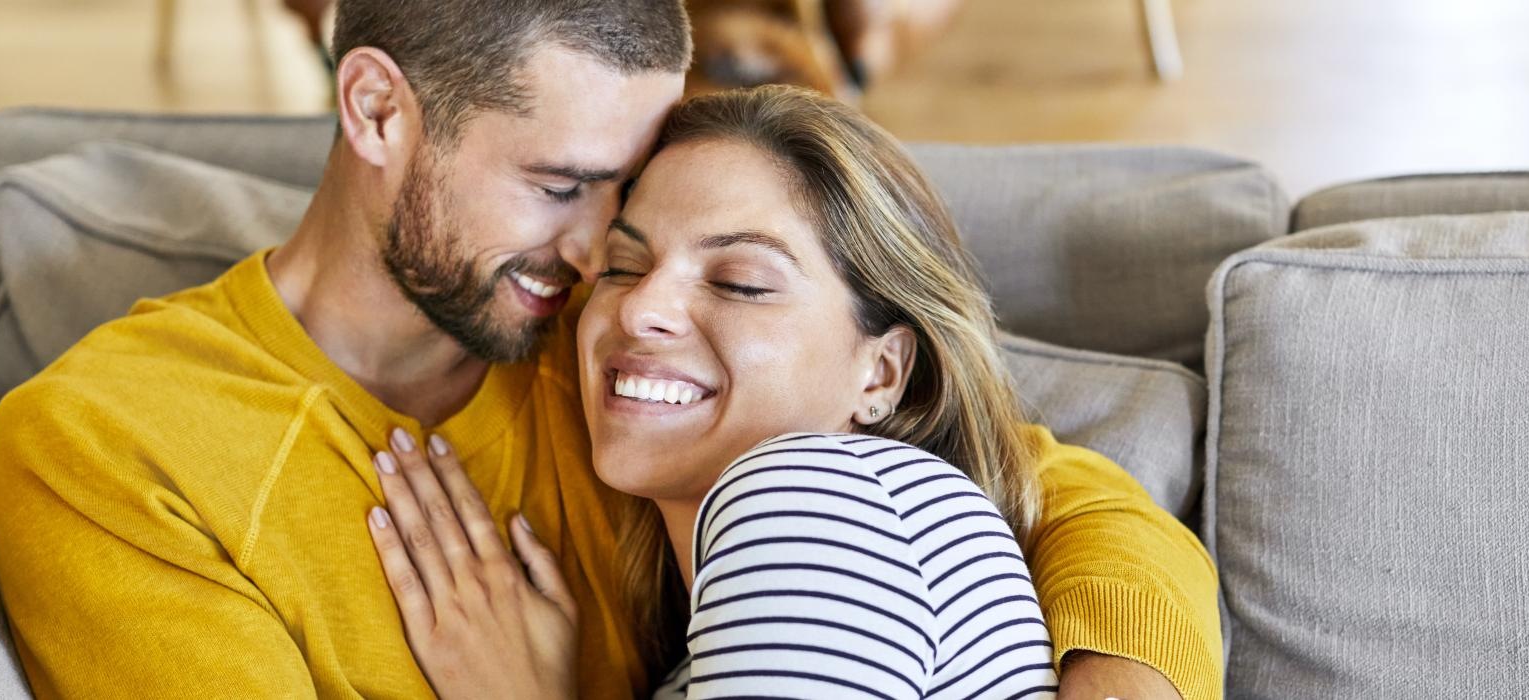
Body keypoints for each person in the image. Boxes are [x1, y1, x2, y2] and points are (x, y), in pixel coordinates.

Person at [0, 1, 1220, 698]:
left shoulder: (619, 352)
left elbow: (1043, 485)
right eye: (559, 185)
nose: (599, 264)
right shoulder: (115, 445)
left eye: (620, 201)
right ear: (374, 109)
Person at [365, 85, 1057, 698]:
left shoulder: (818, 495)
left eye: (739, 284)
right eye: (624, 264)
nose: (638, 310)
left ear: (880, 374)